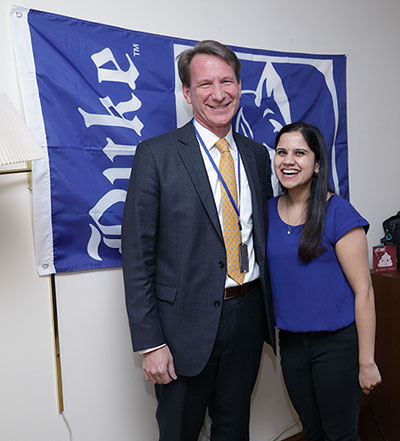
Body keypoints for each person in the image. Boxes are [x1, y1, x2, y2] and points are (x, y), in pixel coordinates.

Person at [122, 40, 275, 441]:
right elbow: (138, 256)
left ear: (240, 86)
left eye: (228, 81)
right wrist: (150, 343)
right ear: (187, 93)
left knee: (233, 429)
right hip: (181, 329)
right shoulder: (155, 155)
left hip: (247, 316)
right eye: (206, 84)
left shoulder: (257, 155)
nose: (219, 93)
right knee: (178, 433)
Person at [267, 121, 382, 441]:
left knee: (340, 435)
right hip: (290, 345)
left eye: (300, 153)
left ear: (317, 164)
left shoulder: (339, 213)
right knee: (312, 431)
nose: (288, 161)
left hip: (337, 345)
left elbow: (365, 292)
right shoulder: (266, 213)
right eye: (282, 152)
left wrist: (367, 362)